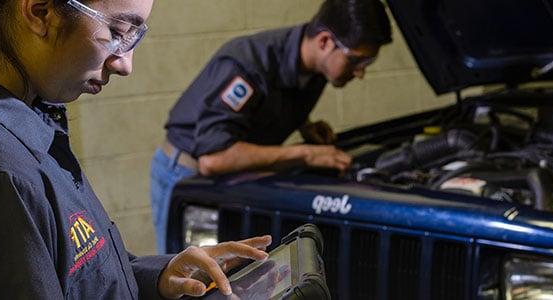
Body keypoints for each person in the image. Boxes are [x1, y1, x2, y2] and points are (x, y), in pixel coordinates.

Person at [0, 0, 270, 298]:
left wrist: (160, 276)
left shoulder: (30, 119)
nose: (125, 63)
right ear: (40, 12)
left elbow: (74, 272)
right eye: (117, 32)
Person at [150, 0, 393, 254]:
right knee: (191, 279)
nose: (360, 73)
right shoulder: (248, 66)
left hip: (239, 177)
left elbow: (271, 102)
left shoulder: (315, 68)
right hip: (187, 173)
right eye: (357, 61)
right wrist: (307, 154)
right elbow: (213, 158)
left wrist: (305, 125)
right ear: (324, 42)